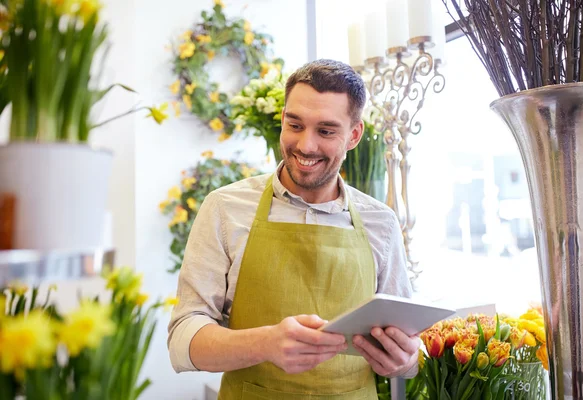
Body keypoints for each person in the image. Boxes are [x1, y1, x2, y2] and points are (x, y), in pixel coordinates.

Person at [168, 59, 419, 399]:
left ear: (354, 135)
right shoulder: (225, 208)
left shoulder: (382, 223)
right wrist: (264, 343)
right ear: (283, 118)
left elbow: (410, 349)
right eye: (295, 125)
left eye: (326, 131)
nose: (306, 146)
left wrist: (405, 360)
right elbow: (183, 339)